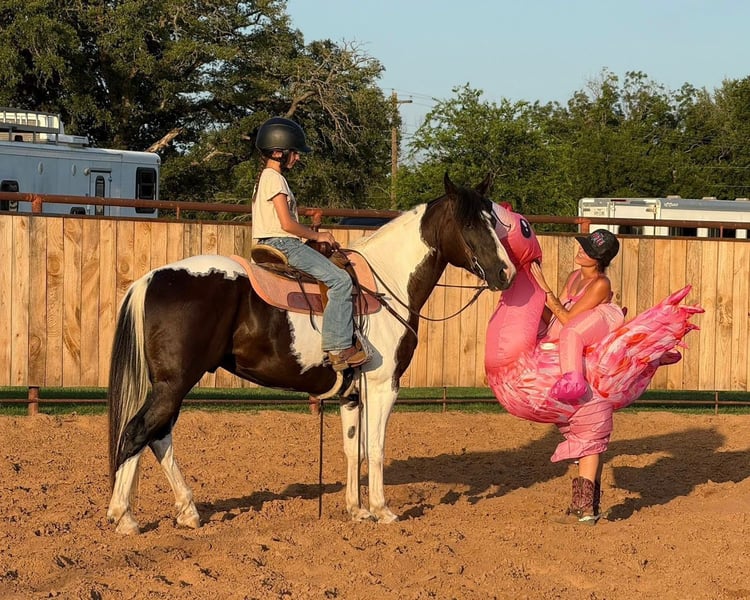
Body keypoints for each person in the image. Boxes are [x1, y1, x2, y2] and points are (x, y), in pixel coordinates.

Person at [251, 116, 368, 371]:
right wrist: (319, 236)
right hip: (283, 243)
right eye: (294, 152)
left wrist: (310, 226)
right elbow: (286, 224)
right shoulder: (275, 179)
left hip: (269, 241)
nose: (297, 157)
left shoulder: (264, 178)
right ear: (279, 152)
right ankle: (339, 348)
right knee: (340, 280)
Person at [530, 228, 624, 524]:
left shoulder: (600, 284)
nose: (580, 250)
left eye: (587, 250)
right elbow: (556, 316)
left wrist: (545, 291)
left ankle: (586, 510)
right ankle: (586, 507)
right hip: (570, 343)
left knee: (589, 435)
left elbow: (570, 320)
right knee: (586, 437)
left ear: (598, 259)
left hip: (587, 348)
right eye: (583, 246)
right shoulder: (574, 277)